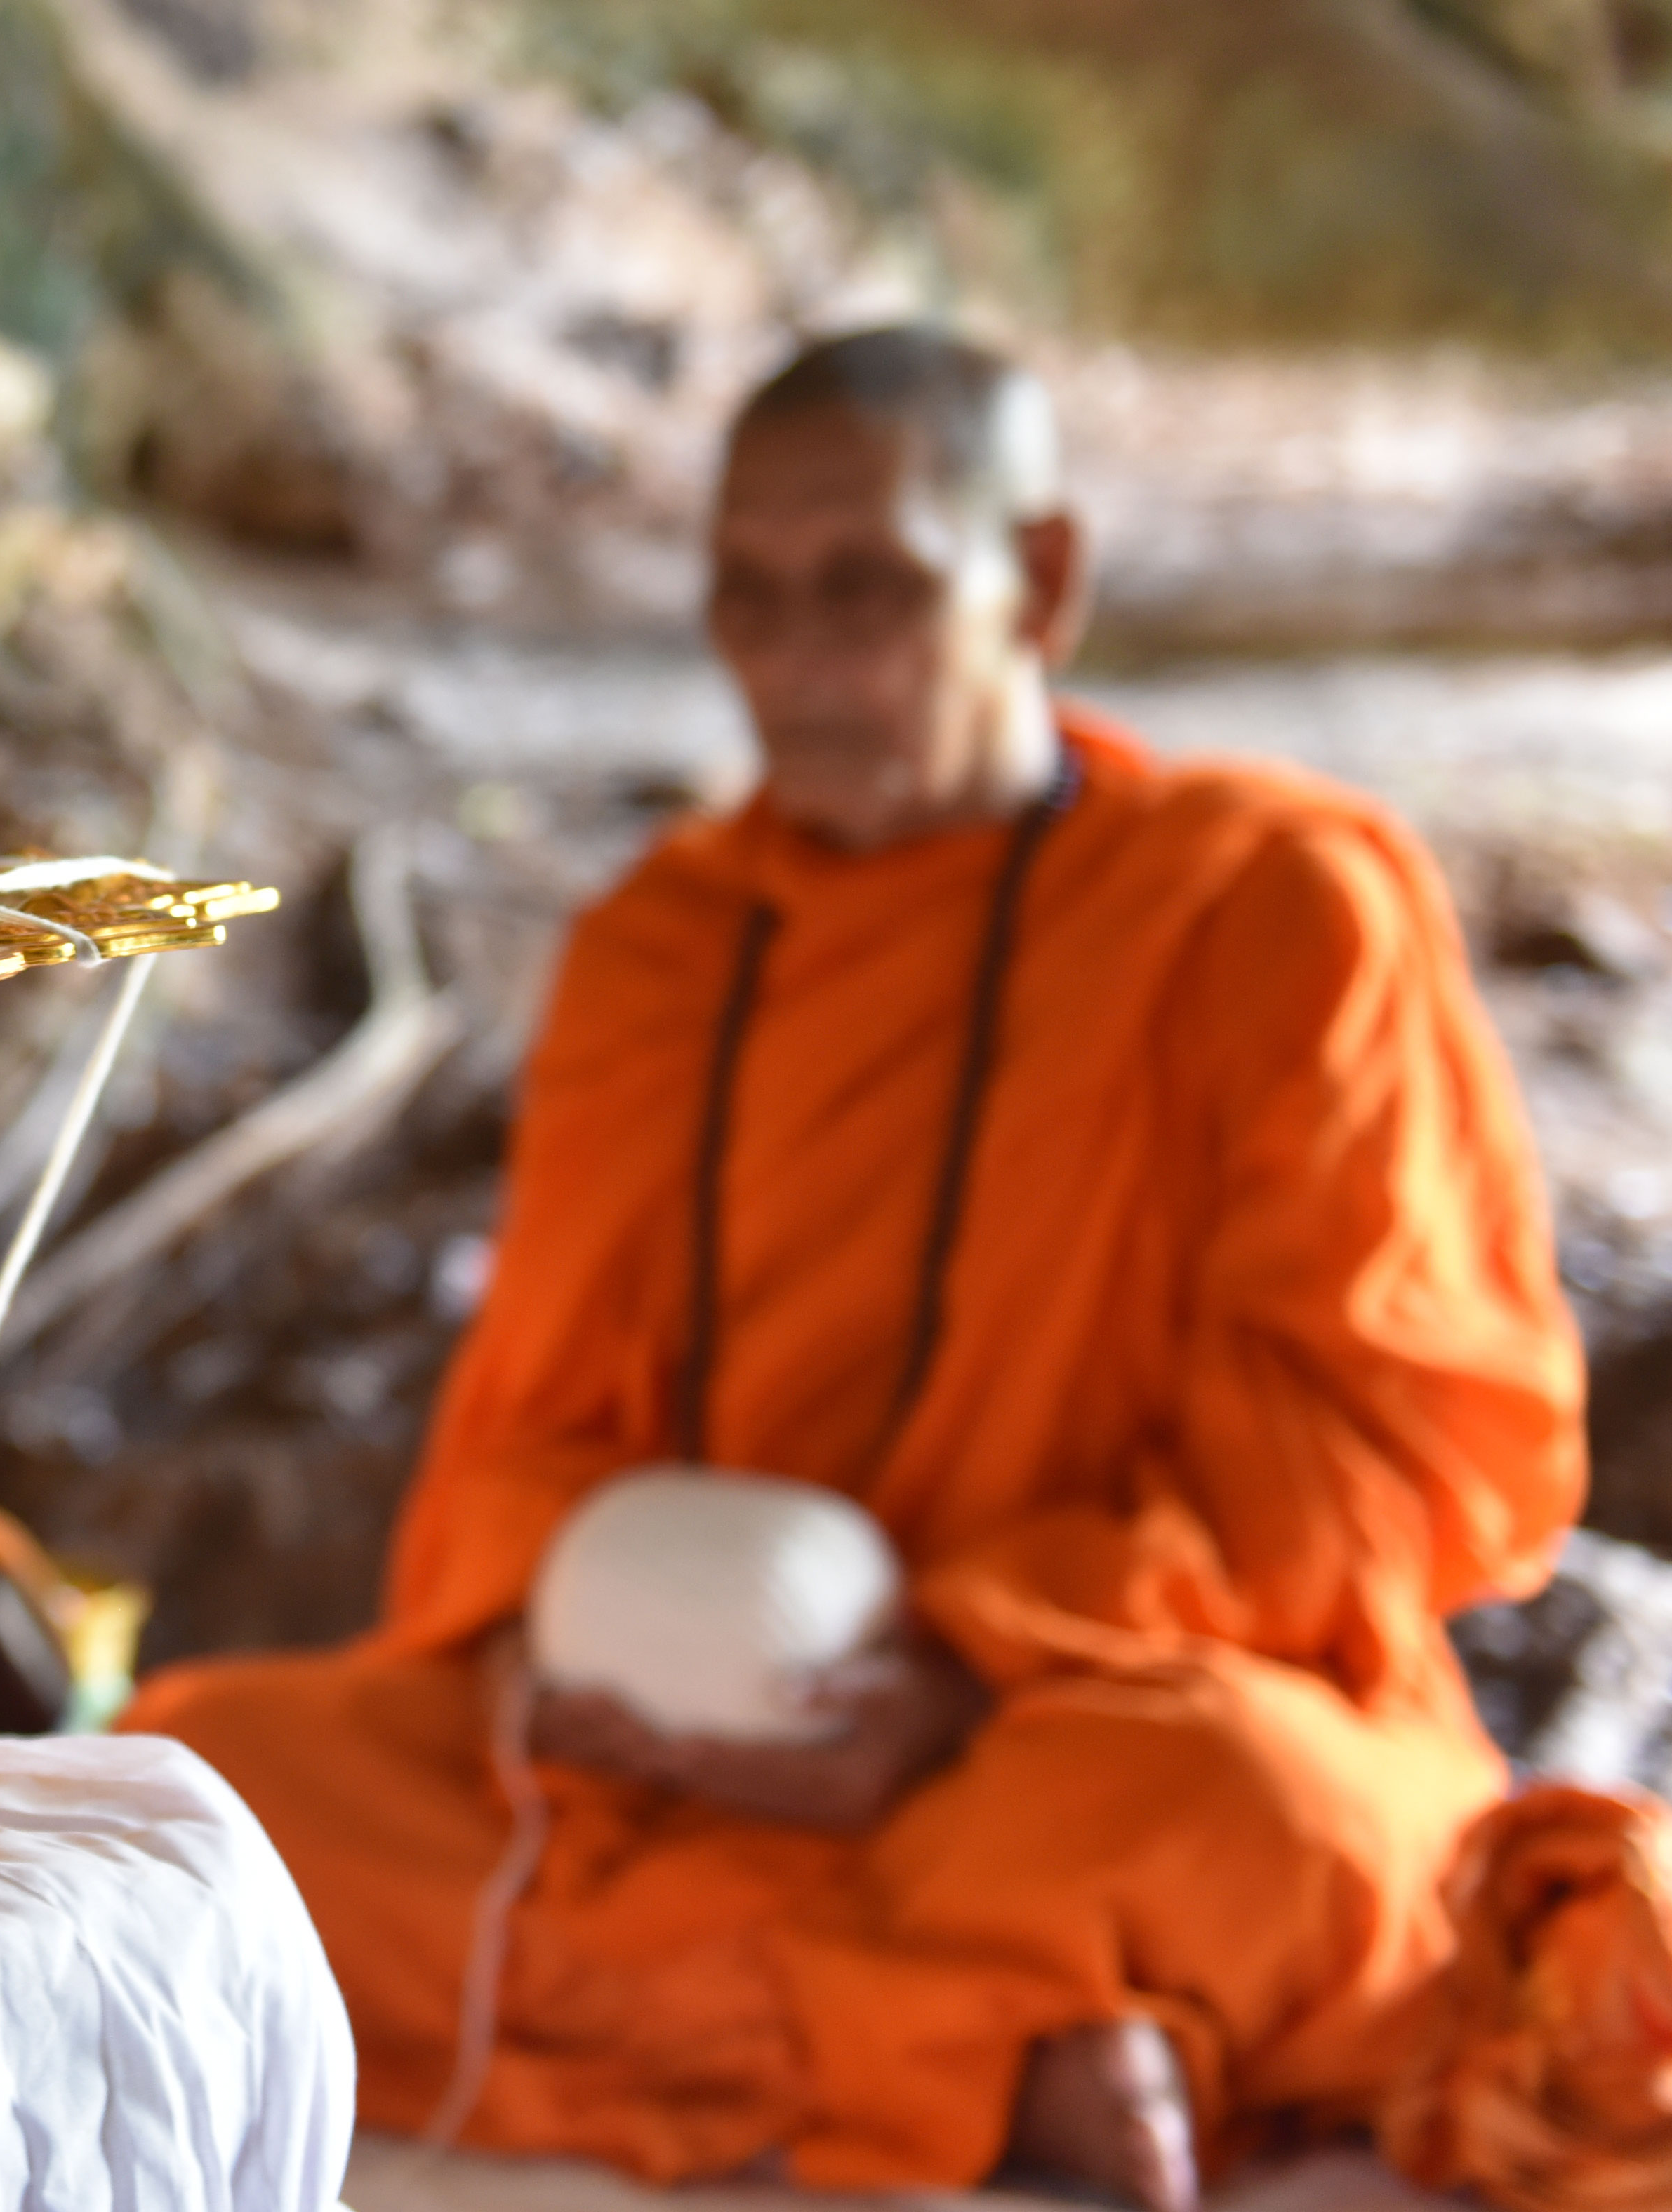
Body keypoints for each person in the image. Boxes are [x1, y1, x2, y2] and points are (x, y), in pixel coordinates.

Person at [126, 326, 1586, 2211]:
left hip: (1084, 1723)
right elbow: (527, 1438)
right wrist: (597, 1663)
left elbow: (1391, 1460)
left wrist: (964, 1676)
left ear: (1039, 584)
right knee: (206, 1775)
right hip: (690, 1749)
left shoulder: (1272, 906)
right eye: (748, 598)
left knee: (1302, 1829)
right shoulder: (661, 949)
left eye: (870, 590)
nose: (800, 663)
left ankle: (946, 2008)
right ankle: (1015, 2033)